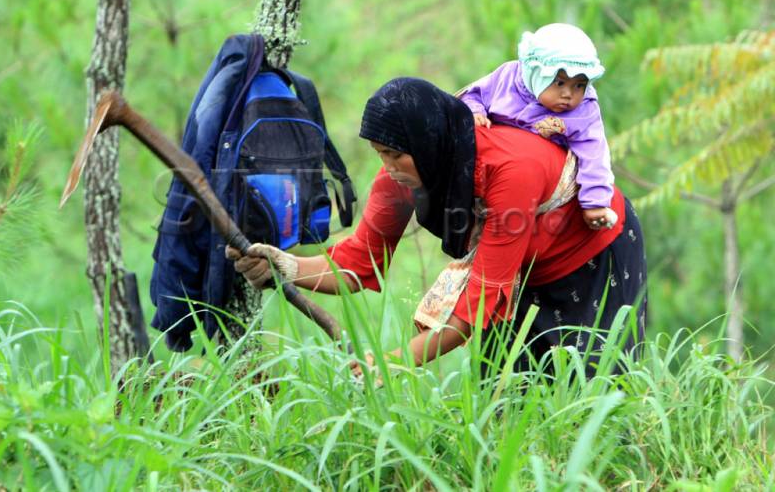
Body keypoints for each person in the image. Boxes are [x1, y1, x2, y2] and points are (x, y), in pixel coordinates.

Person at [225, 77, 646, 377]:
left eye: (395, 153)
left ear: (429, 142)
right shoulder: (400, 175)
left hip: (592, 254)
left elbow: (477, 306)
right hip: (518, 267)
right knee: (507, 392)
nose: (388, 167)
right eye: (379, 153)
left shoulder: (509, 170)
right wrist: (286, 266)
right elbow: (361, 262)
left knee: (593, 387)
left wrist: (389, 364)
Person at [458, 23, 617, 231]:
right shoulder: (507, 79)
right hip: (490, 174)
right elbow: (473, 94)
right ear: (535, 73)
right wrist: (475, 111)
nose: (568, 94)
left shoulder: (583, 110)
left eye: (579, 85)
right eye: (559, 83)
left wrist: (595, 201)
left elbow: (594, 153)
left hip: (541, 194)